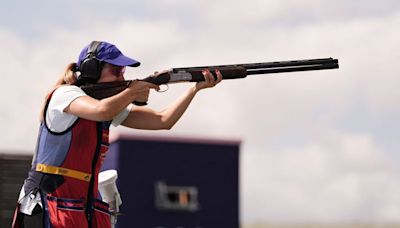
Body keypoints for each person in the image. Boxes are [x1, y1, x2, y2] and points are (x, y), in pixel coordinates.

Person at [12, 41, 222, 228]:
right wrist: (132, 92)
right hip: (51, 202)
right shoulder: (64, 95)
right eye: (116, 69)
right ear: (92, 70)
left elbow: (163, 120)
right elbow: (101, 110)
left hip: (79, 206)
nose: (122, 75)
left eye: (122, 70)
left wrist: (194, 90)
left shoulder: (109, 107)